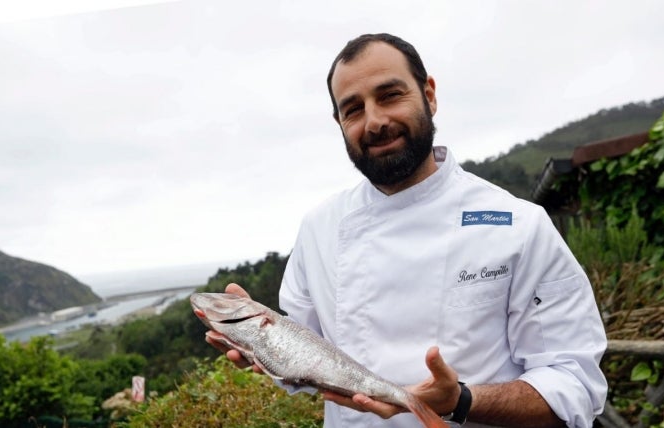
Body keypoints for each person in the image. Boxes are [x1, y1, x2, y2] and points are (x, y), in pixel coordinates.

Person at [207, 33, 608, 428]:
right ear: (339, 123)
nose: (375, 121)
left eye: (389, 95)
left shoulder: (519, 225)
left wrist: (461, 401)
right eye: (353, 109)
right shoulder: (319, 228)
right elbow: (307, 355)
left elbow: (575, 388)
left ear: (429, 94)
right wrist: (262, 341)